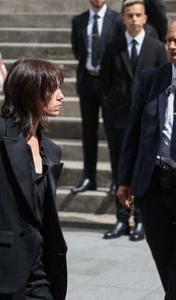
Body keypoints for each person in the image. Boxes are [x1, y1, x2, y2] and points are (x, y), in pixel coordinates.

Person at [0, 58, 67, 300]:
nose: (61, 96)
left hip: (41, 268)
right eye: (52, 88)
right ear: (29, 90)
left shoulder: (52, 149)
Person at [117, 20, 176, 298]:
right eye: (169, 40)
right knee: (163, 259)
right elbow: (134, 132)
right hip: (153, 186)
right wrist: (125, 179)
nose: (172, 47)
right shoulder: (153, 79)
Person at [101, 0, 167, 240]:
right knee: (119, 167)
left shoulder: (157, 48)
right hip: (118, 120)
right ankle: (121, 220)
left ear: (145, 18)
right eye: (130, 15)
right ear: (123, 19)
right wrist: (109, 109)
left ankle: (140, 219)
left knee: (143, 168)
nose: (134, 20)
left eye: (138, 15)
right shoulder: (113, 47)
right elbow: (104, 83)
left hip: (148, 122)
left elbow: (165, 82)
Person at [70, 0, 121, 194]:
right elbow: (78, 50)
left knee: (113, 133)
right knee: (88, 132)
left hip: (109, 83)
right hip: (87, 81)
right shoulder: (79, 21)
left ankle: (117, 179)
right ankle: (89, 177)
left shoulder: (116, 20)